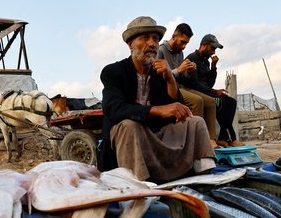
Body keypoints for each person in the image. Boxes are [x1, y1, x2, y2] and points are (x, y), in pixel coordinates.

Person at [98, 16, 216, 181]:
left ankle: (203, 180)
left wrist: (169, 78)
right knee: (129, 126)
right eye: (145, 38)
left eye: (155, 39)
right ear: (130, 44)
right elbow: (113, 108)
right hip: (130, 138)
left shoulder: (159, 73)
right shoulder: (114, 71)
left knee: (195, 122)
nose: (152, 44)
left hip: (156, 135)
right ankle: (139, 186)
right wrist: (158, 111)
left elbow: (177, 108)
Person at [158, 23, 219, 148]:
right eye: (182, 42)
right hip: (167, 88)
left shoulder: (179, 52)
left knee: (211, 102)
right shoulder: (160, 51)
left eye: (186, 43)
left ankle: (211, 140)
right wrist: (178, 70)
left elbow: (182, 77)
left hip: (180, 87)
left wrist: (188, 72)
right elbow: (158, 79)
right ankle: (197, 141)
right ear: (174, 36)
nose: (184, 46)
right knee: (197, 101)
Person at [181, 34, 242, 147]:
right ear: (204, 45)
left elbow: (209, 83)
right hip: (194, 91)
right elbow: (194, 84)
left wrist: (213, 67)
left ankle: (223, 137)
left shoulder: (206, 61)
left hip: (206, 91)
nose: (213, 52)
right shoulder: (192, 58)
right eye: (212, 48)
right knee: (220, 101)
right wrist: (214, 91)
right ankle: (231, 138)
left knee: (231, 102)